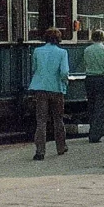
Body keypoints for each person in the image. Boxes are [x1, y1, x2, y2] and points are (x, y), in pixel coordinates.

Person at [28, 27, 69, 160]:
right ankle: (61, 147)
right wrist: (65, 82)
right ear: (58, 39)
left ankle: (40, 151)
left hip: (40, 88)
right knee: (58, 119)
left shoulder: (37, 51)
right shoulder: (62, 52)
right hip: (56, 89)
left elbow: (34, 68)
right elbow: (64, 72)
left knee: (41, 121)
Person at [83, 29, 104, 143]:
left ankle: (92, 130)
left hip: (89, 79)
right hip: (102, 80)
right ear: (103, 38)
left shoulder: (87, 50)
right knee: (100, 107)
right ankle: (96, 134)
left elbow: (86, 63)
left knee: (91, 106)